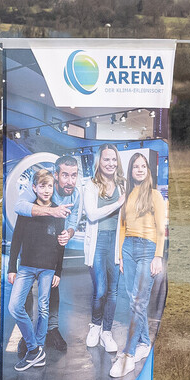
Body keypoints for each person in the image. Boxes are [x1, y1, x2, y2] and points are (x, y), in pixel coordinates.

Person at [10, 154, 83, 352]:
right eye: (65, 175)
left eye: (74, 175)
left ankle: (51, 330)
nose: (70, 180)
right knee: (25, 296)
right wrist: (52, 211)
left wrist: (68, 233)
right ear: (56, 175)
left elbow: (73, 221)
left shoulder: (76, 194)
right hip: (32, 249)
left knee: (53, 288)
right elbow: (19, 206)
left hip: (51, 250)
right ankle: (28, 335)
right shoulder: (40, 184)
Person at [109, 149, 169, 380]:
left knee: (137, 301)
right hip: (128, 250)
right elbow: (123, 226)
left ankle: (128, 355)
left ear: (148, 170)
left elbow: (161, 228)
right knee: (135, 301)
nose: (140, 169)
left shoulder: (154, 195)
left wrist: (157, 256)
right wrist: (121, 256)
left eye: (143, 166)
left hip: (147, 250)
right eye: (136, 166)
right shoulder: (128, 195)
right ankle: (144, 342)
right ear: (131, 170)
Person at [5, 168, 66, 372]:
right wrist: (12, 267)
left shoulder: (59, 211)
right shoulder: (27, 210)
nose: (46, 190)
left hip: (48, 268)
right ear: (34, 187)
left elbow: (61, 245)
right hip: (26, 266)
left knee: (43, 308)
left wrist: (58, 271)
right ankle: (34, 348)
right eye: (42, 186)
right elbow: (17, 239)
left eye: (50, 186)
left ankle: (38, 348)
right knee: (14, 306)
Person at [78, 147, 127, 352]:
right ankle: (95, 326)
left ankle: (107, 332)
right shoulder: (91, 185)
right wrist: (117, 204)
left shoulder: (123, 184)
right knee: (100, 290)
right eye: (106, 159)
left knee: (113, 292)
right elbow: (92, 214)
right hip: (98, 243)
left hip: (116, 243)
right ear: (100, 161)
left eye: (113, 159)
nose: (110, 163)